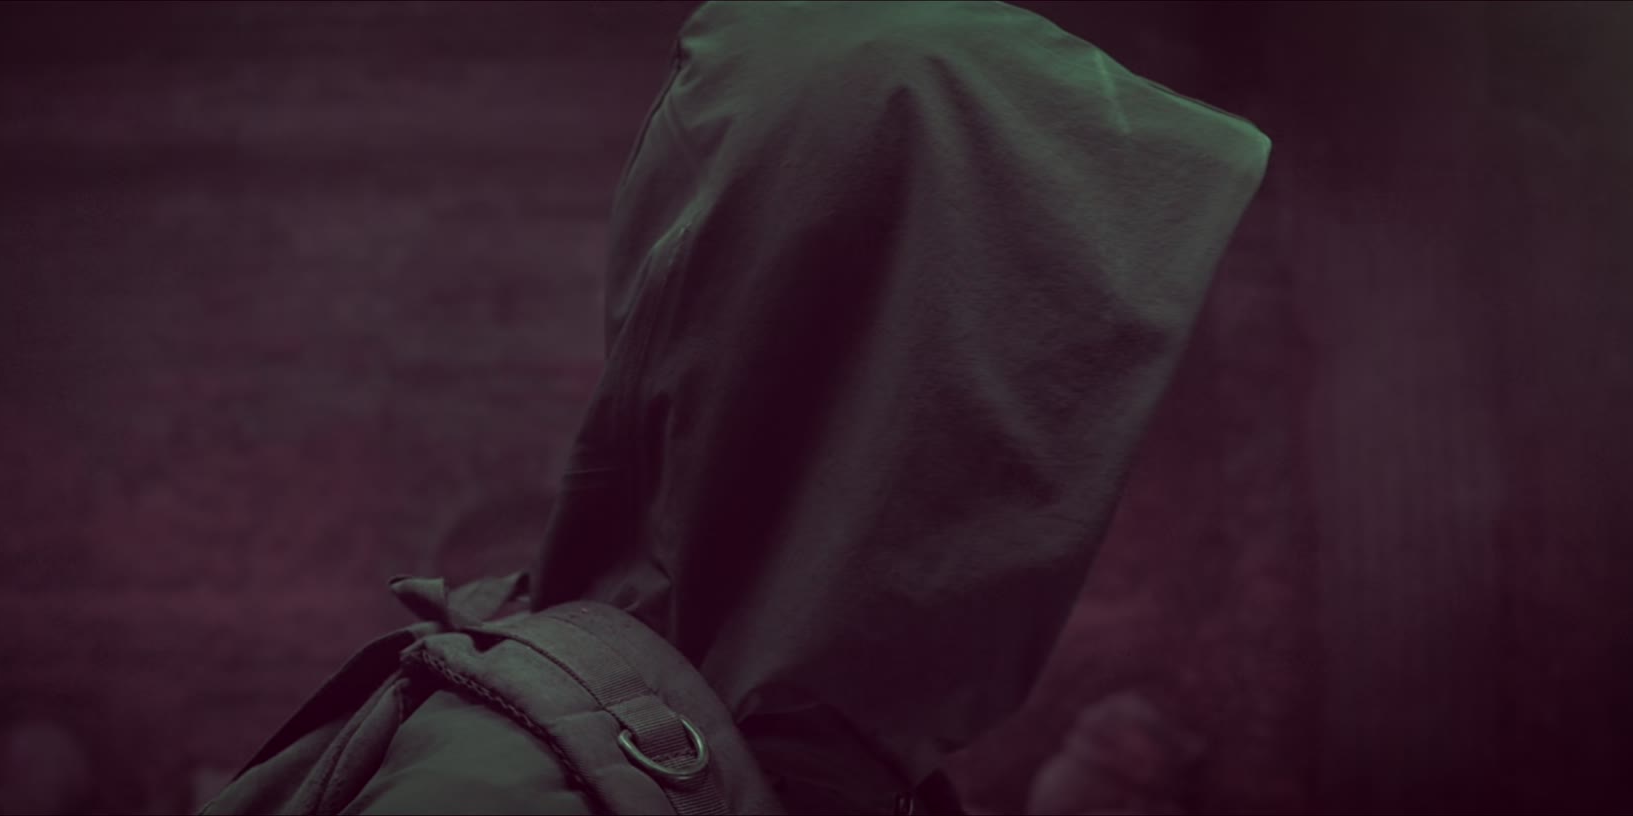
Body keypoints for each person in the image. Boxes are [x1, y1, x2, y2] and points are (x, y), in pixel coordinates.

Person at [203, 2, 1270, 814]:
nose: (1092, 484)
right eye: (1051, 392)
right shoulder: (502, 795)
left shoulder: (819, 766)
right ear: (897, 401)